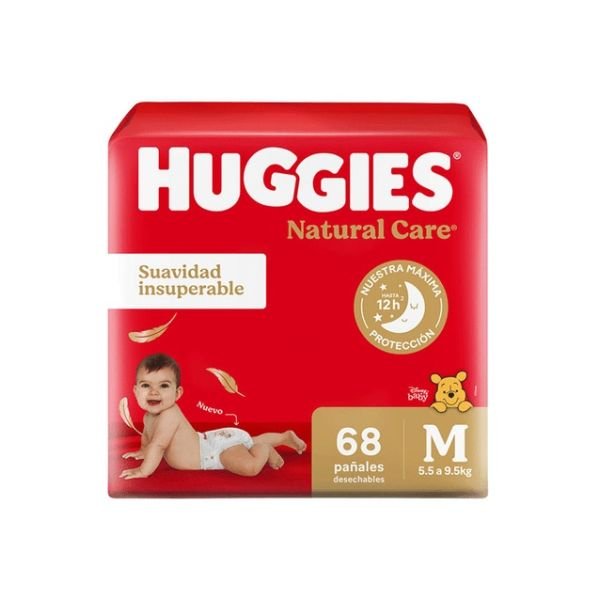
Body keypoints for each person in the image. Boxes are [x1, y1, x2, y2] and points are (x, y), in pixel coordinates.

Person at [119, 353, 307, 479]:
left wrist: (143, 471)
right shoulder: (149, 417)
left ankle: (264, 449)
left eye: (163, 385)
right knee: (248, 441)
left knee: (249, 468)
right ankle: (284, 437)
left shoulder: (169, 414)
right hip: (211, 441)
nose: (154, 392)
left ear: (177, 393)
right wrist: (143, 451)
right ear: (136, 391)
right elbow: (148, 438)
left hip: (215, 453)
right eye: (146, 385)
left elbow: (158, 445)